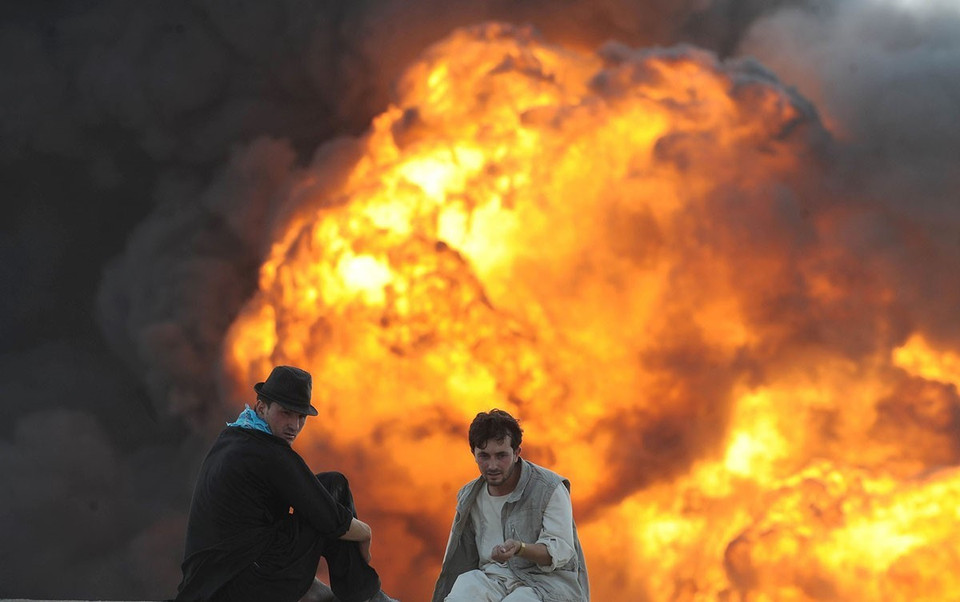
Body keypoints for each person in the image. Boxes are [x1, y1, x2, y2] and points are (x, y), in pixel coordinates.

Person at [175, 365, 398, 602]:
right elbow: (330, 519)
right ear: (262, 407)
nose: (294, 425)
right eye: (286, 413)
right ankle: (366, 597)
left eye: (301, 416)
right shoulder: (270, 453)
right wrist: (365, 533)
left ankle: (348, 593)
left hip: (211, 584)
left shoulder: (232, 438)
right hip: (240, 585)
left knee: (319, 495)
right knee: (334, 486)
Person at [432, 409, 589, 602]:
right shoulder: (469, 496)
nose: (492, 465)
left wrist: (519, 548)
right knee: (463, 591)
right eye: (484, 456)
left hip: (544, 584)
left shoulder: (550, 488)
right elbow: (459, 559)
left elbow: (560, 552)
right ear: (473, 453)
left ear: (516, 453)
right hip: (493, 579)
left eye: (501, 455)